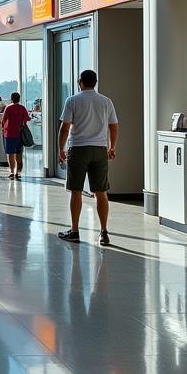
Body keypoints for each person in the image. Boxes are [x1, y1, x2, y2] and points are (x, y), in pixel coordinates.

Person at [57, 69, 118, 246]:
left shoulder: (73, 100)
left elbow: (65, 127)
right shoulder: (106, 101)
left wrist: (61, 148)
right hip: (99, 150)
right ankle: (104, 232)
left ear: (80, 82)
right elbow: (113, 126)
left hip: (78, 148)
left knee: (76, 191)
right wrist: (111, 147)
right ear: (95, 82)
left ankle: (75, 231)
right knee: (101, 192)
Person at [1, 92, 31, 179]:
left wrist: (3, 128)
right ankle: (18, 172)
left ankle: (11, 171)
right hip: (20, 134)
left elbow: (3, 120)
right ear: (19, 99)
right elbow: (27, 118)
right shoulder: (22, 108)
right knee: (19, 153)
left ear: (11, 99)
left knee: (10, 154)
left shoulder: (8, 108)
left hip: (9, 133)